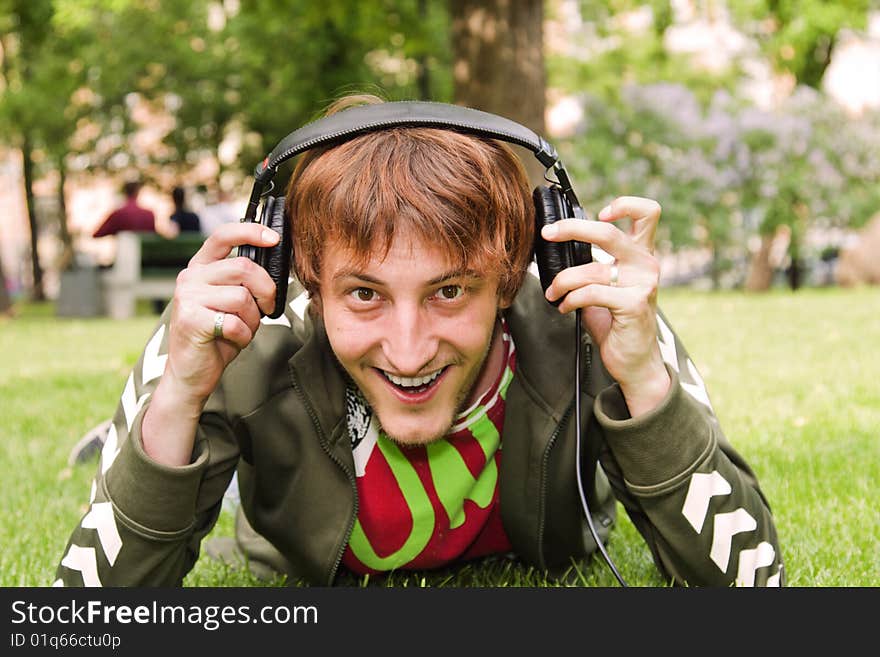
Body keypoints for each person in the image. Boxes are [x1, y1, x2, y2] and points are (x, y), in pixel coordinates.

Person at [55, 95, 783, 588]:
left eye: (449, 290)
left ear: (507, 276)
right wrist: (181, 392)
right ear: (301, 276)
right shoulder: (243, 335)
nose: (407, 351)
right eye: (364, 294)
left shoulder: (588, 317)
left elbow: (754, 581)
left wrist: (644, 377)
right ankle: (113, 434)